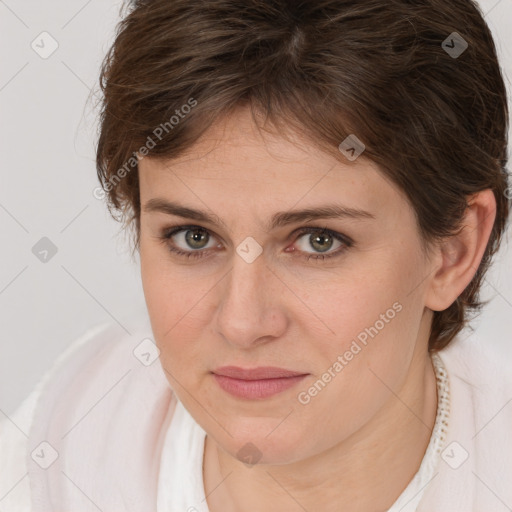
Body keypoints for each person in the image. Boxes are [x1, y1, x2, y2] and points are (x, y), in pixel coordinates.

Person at [1, 0, 511, 510]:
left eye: (318, 241)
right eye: (193, 237)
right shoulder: (56, 446)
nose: (242, 323)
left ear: (453, 251)